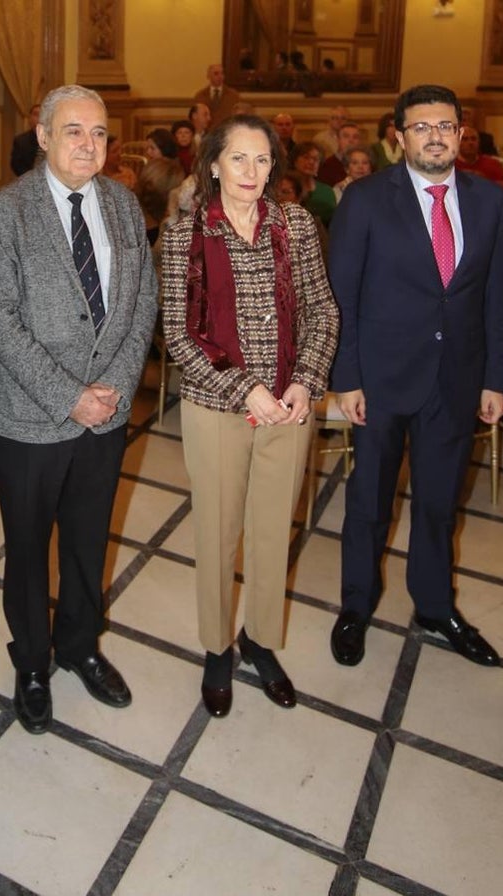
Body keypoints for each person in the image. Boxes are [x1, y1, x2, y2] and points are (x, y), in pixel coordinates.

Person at [0, 84, 158, 734]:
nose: (89, 144)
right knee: (29, 552)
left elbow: (142, 305)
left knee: (86, 542)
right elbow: (1, 318)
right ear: (45, 136)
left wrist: (110, 385)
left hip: (105, 414)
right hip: (30, 419)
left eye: (100, 133)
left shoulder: (125, 206)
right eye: (74, 131)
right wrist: (68, 395)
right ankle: (31, 662)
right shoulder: (8, 212)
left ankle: (80, 645)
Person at [328, 84, 503, 669]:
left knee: (438, 503)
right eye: (421, 127)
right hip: (381, 380)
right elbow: (342, 296)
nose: (435, 136)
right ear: (399, 136)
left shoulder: (489, 200)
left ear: (461, 134)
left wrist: (495, 377)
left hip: (456, 380)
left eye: (446, 126)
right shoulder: (363, 199)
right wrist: (347, 377)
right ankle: (356, 605)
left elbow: (496, 297)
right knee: (369, 501)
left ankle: (435, 606)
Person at [161, 115, 339, 717]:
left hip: (289, 407)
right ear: (213, 164)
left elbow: (322, 312)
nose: (251, 173)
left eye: (263, 161)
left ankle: (260, 639)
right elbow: (179, 336)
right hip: (217, 407)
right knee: (217, 532)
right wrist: (246, 390)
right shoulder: (184, 232)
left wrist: (304, 383)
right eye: (239, 159)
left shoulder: (297, 226)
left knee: (271, 531)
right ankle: (217, 647)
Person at [136, 127, 185, 246]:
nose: (148, 153)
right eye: (147, 148)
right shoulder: (150, 171)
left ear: (165, 150)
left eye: (152, 148)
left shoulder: (173, 176)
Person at [291, 141, 336, 227]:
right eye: (306, 157)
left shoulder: (327, 191)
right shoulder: (286, 188)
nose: (311, 162)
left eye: (315, 159)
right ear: (295, 161)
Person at [454, 125, 503, 190]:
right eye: (465, 139)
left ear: (478, 142)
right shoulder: (449, 165)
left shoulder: (493, 164)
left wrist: (483, 181)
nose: (470, 143)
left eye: (473, 139)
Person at [317, 121, 361, 186]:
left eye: (355, 137)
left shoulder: (365, 165)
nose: (351, 140)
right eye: (346, 136)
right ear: (338, 139)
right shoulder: (326, 166)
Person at [10, 103, 42, 176]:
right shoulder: (21, 141)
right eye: (36, 114)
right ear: (30, 118)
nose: (39, 118)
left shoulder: (54, 139)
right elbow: (16, 165)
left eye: (42, 115)